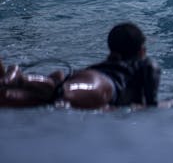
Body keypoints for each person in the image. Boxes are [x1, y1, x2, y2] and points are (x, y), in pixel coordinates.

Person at [0, 23, 160, 109]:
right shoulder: (147, 63)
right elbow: (150, 106)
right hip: (104, 85)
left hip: (88, 75)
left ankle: (11, 80)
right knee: (60, 91)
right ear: (141, 50)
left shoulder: (111, 61)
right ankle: (20, 78)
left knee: (13, 98)